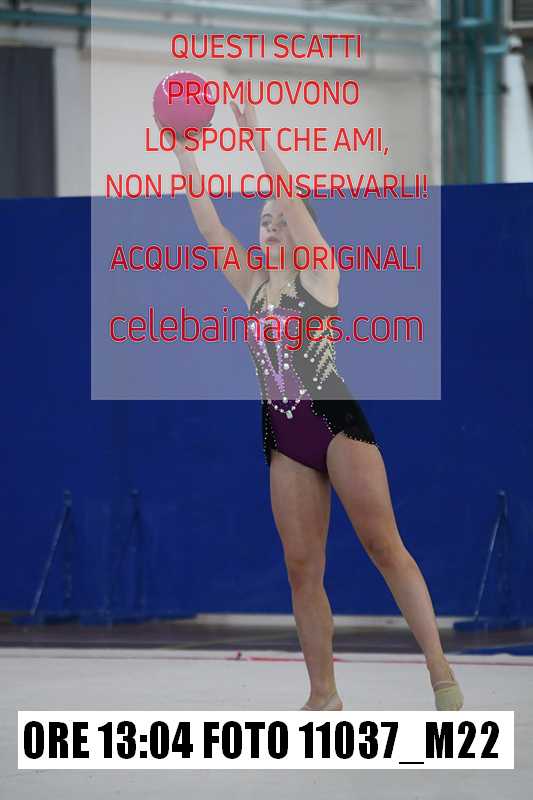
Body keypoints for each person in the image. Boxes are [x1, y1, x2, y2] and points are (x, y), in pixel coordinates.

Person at [154, 100, 464, 712]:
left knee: (383, 546)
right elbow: (210, 227)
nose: (269, 227)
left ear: (301, 232)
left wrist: (254, 138)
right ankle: (323, 694)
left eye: (279, 220)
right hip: (283, 435)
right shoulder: (252, 287)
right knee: (302, 567)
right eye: (263, 221)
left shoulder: (320, 275)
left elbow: (291, 196)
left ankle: (439, 668)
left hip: (336, 424)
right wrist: (184, 149)